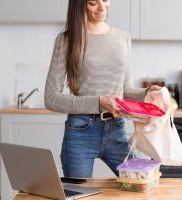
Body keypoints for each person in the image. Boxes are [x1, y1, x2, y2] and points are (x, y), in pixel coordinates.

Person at [44, 0, 160, 178]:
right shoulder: (67, 39)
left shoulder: (122, 38)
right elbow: (51, 98)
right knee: (78, 195)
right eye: (92, 2)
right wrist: (99, 102)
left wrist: (147, 93)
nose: (102, 7)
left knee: (141, 184)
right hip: (80, 132)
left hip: (116, 130)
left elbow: (123, 89)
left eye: (105, 0)